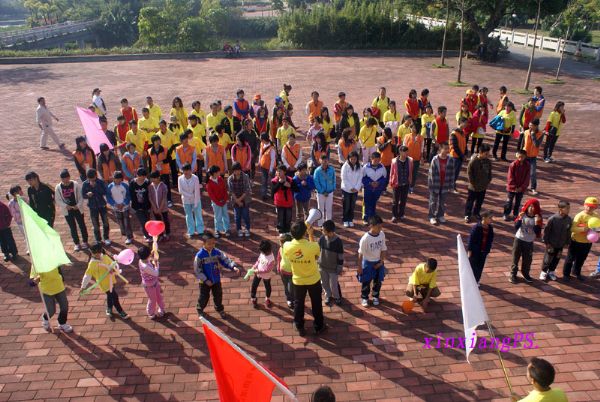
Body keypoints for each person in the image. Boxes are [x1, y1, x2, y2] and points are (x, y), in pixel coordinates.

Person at [283, 221, 325, 336]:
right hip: (313, 279)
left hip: (298, 280)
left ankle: (299, 325)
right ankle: (319, 326)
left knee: (298, 303)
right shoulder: (313, 246)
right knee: (316, 302)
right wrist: (311, 235)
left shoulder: (287, 246)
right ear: (304, 233)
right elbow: (316, 255)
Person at [194, 231, 241, 319]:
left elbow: (225, 259)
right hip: (204, 282)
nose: (211, 245)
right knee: (204, 296)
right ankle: (200, 309)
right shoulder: (199, 256)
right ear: (203, 244)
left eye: (213, 243)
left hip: (216, 280)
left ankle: (219, 309)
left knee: (218, 295)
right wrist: (205, 280)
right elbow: (197, 270)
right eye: (209, 244)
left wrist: (233, 266)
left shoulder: (217, 252)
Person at [81, 242, 129, 319]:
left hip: (111, 280)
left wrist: (113, 269)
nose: (97, 254)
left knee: (110, 296)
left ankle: (109, 308)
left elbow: (113, 264)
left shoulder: (105, 257)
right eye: (95, 253)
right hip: (104, 284)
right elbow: (87, 276)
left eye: (99, 252)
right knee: (114, 296)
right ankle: (120, 311)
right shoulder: (92, 264)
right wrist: (83, 286)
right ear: (91, 252)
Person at [563, 197, 599, 281]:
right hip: (576, 241)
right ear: (584, 205)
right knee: (570, 258)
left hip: (587, 242)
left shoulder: (596, 216)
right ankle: (566, 274)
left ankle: (576, 272)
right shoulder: (579, 216)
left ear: (596, 207)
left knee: (581, 258)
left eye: (593, 206)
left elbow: (598, 226)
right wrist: (583, 229)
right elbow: (572, 228)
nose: (590, 208)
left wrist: (597, 230)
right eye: (588, 206)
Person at [509, 198, 543, 284]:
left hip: (529, 241)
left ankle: (525, 273)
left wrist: (536, 222)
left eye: (533, 207)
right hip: (519, 239)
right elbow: (516, 227)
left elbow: (537, 232)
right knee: (515, 257)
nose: (531, 208)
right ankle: (513, 274)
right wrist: (520, 218)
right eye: (530, 206)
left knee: (527, 259)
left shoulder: (538, 218)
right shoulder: (523, 214)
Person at [30, 265, 72, 332]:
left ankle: (62, 323)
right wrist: (34, 281)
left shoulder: (53, 259)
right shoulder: (36, 264)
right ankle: (45, 318)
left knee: (64, 307)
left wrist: (62, 280)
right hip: (47, 290)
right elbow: (31, 282)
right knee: (51, 311)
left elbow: (59, 270)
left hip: (59, 287)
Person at [55, 169, 88, 251]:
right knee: (72, 227)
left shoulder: (75, 184)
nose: (65, 180)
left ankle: (85, 241)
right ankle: (77, 243)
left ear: (69, 177)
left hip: (77, 209)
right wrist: (65, 206)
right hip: (67, 211)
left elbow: (80, 196)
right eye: (63, 179)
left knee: (82, 225)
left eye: (66, 178)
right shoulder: (58, 187)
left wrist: (78, 205)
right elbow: (58, 199)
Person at [357, 215, 387, 307]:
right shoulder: (365, 239)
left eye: (381, 227)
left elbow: (383, 249)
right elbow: (360, 254)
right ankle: (364, 297)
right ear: (371, 226)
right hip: (368, 262)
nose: (380, 229)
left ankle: (375, 296)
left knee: (378, 281)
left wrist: (381, 262)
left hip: (378, 261)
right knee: (366, 281)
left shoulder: (382, 234)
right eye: (378, 227)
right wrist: (359, 267)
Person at [540, 201, 571, 281]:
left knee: (557, 258)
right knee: (548, 258)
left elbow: (568, 232)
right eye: (567, 208)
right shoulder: (553, 219)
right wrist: (546, 242)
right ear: (560, 209)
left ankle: (551, 271)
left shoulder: (569, 219)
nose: (568, 210)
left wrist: (567, 242)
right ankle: (544, 271)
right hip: (551, 243)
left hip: (561, 244)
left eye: (569, 208)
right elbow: (546, 231)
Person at [427, 143, 455, 225]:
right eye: (445, 149)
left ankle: (440, 215)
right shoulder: (435, 159)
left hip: (445, 184)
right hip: (435, 184)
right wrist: (430, 185)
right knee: (433, 201)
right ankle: (431, 216)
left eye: (448, 148)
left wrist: (451, 185)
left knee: (442, 202)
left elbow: (452, 173)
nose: (447, 150)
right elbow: (430, 174)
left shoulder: (450, 159)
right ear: (440, 149)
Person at [464, 143, 493, 223]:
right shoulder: (473, 161)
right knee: (470, 201)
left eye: (488, 153)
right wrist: (473, 183)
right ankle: (467, 215)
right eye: (486, 154)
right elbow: (469, 173)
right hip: (473, 187)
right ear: (480, 153)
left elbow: (489, 172)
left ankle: (476, 213)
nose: (487, 155)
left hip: (483, 186)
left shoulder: (488, 162)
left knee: (479, 202)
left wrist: (488, 180)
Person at [82, 168, 111, 245]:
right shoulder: (85, 184)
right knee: (95, 224)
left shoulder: (100, 182)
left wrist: (96, 187)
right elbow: (83, 195)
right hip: (92, 206)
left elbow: (105, 192)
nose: (92, 180)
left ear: (96, 176)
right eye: (90, 178)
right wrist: (87, 195)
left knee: (105, 222)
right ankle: (98, 239)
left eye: (93, 178)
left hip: (102, 205)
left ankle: (106, 238)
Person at [319, 220, 344, 306]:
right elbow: (317, 249)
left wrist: (339, 267)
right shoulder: (322, 238)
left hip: (333, 268)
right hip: (322, 267)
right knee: (324, 283)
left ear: (329, 231)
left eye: (323, 230)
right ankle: (328, 295)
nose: (321, 231)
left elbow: (340, 256)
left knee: (334, 285)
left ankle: (337, 297)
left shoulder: (338, 241)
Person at [137, 245, 166, 319]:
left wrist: (151, 253)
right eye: (149, 254)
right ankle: (150, 313)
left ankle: (162, 309)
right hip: (149, 286)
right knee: (152, 300)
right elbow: (156, 273)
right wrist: (156, 264)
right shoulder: (145, 266)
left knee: (159, 296)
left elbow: (148, 259)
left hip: (154, 282)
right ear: (147, 256)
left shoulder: (141, 260)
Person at [467, 211, 494, 284]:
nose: (491, 219)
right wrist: (469, 251)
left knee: (480, 267)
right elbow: (471, 240)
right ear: (484, 218)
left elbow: (490, 239)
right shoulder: (476, 228)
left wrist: (487, 250)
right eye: (490, 218)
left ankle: (477, 280)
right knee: (473, 266)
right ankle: (470, 281)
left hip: (483, 251)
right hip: (475, 251)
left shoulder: (490, 228)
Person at [178, 163, 204, 238]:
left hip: (196, 199)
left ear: (190, 170)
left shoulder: (195, 178)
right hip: (186, 200)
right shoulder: (180, 178)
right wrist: (190, 195)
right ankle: (191, 231)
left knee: (198, 215)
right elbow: (180, 191)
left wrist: (195, 203)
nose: (186, 172)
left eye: (187, 170)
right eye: (184, 170)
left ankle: (200, 230)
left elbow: (197, 191)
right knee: (188, 216)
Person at [504, 150, 530, 221]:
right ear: (516, 156)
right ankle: (506, 214)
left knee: (518, 202)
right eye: (519, 157)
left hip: (521, 188)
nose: (521, 158)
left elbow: (527, 178)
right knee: (509, 202)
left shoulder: (527, 165)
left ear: (525, 157)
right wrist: (514, 187)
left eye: (522, 157)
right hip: (512, 188)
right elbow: (510, 177)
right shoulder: (513, 164)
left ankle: (515, 214)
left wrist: (522, 187)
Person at [389, 145, 414, 222]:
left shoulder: (410, 160)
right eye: (404, 152)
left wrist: (410, 181)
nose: (406, 153)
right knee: (395, 200)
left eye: (407, 152)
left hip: (406, 183)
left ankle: (401, 214)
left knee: (403, 200)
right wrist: (391, 182)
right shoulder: (394, 161)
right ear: (400, 152)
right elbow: (391, 172)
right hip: (397, 183)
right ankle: (394, 215)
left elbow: (411, 171)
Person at [148, 134, 173, 207]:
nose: (158, 142)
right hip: (155, 172)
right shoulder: (149, 151)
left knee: (166, 186)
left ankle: (169, 200)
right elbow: (150, 163)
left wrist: (162, 162)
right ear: (153, 142)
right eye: (156, 141)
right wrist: (151, 172)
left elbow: (170, 159)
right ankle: (159, 200)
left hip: (164, 171)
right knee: (156, 186)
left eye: (159, 140)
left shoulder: (165, 149)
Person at [249, 240, 276, 308]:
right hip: (258, 273)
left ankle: (267, 298)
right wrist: (254, 266)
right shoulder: (262, 254)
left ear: (267, 251)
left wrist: (258, 271)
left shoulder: (271, 259)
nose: (262, 253)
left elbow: (267, 270)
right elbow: (258, 261)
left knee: (267, 286)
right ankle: (253, 298)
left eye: (262, 252)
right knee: (254, 285)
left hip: (266, 275)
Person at [206, 165, 231, 238]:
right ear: (214, 173)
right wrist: (218, 202)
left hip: (223, 202)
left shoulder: (220, 179)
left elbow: (225, 190)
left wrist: (225, 199)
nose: (219, 173)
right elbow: (212, 196)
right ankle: (218, 230)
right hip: (216, 203)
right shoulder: (209, 183)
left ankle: (227, 229)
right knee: (218, 217)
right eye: (218, 172)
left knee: (225, 215)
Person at [362, 151, 387, 223]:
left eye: (378, 160)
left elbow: (384, 178)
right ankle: (366, 218)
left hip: (377, 190)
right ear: (371, 159)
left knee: (374, 203)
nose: (377, 162)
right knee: (367, 203)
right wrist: (370, 183)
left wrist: (379, 183)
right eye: (375, 160)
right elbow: (363, 178)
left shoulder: (382, 167)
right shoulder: (365, 167)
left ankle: (372, 217)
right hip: (368, 189)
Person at [272, 164, 297, 234]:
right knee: (281, 218)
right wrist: (279, 183)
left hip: (288, 202)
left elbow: (296, 189)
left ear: (285, 172)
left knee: (288, 218)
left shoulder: (290, 179)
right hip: (279, 202)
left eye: (280, 171)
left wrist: (290, 186)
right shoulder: (275, 180)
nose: (278, 173)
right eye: (277, 171)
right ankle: (281, 231)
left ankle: (287, 230)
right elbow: (273, 191)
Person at [129, 168, 152, 243]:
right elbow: (132, 196)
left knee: (147, 220)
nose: (143, 178)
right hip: (137, 207)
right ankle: (147, 236)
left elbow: (149, 194)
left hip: (146, 206)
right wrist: (136, 207)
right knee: (143, 221)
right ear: (137, 175)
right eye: (141, 177)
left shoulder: (147, 182)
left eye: (144, 177)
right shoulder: (132, 183)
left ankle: (148, 233)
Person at [341, 151, 362, 227]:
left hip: (355, 190)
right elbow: (344, 178)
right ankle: (345, 220)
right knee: (346, 206)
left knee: (352, 206)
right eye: (351, 159)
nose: (353, 161)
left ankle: (350, 219)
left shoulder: (359, 167)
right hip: (346, 190)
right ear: (349, 159)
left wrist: (356, 188)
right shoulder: (345, 166)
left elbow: (360, 178)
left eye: (355, 159)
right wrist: (350, 188)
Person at [522, 118, 544, 195]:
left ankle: (533, 188)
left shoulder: (540, 134)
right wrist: (519, 152)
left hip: (533, 157)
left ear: (536, 126)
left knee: (532, 173)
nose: (530, 127)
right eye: (529, 125)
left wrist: (533, 135)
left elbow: (537, 145)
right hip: (524, 155)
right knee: (522, 172)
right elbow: (522, 143)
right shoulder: (526, 132)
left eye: (531, 126)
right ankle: (522, 186)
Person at [313, 155, 336, 227]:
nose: (324, 163)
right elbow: (316, 182)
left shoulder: (332, 170)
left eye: (326, 161)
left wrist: (333, 188)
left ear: (328, 161)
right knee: (320, 209)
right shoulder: (317, 171)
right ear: (320, 161)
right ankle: (321, 224)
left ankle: (328, 223)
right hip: (320, 193)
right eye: (323, 161)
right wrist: (322, 191)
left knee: (329, 209)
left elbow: (334, 179)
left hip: (330, 192)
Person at [148, 171, 170, 241]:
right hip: (155, 208)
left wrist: (160, 208)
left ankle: (167, 233)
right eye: (151, 178)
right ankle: (161, 234)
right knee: (158, 221)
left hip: (163, 207)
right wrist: (154, 207)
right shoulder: (150, 186)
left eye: (154, 178)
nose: (153, 180)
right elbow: (150, 198)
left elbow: (164, 198)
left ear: (158, 178)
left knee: (165, 220)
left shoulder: (163, 186)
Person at [403, 123, 423, 193]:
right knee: (407, 173)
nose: (412, 129)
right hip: (408, 158)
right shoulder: (407, 136)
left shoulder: (421, 137)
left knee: (414, 174)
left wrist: (422, 157)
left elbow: (422, 148)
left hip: (416, 159)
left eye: (414, 128)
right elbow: (404, 146)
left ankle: (411, 186)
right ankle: (406, 186)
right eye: (411, 127)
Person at [6, 186, 26, 254]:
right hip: (20, 223)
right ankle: (29, 248)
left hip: (28, 221)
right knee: (25, 235)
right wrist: (22, 213)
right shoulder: (11, 203)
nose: (21, 191)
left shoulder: (25, 199)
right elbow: (13, 214)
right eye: (19, 190)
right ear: (15, 193)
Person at [258, 133, 276, 200]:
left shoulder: (272, 148)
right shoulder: (262, 144)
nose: (260, 140)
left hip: (270, 168)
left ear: (263, 139)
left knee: (272, 182)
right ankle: (264, 195)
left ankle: (273, 195)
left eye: (261, 139)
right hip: (263, 167)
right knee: (264, 181)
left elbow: (273, 159)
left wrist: (270, 170)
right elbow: (260, 153)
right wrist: (259, 162)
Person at [449, 128, 467, 193]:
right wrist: (462, 155)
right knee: (453, 173)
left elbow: (465, 145)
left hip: (460, 156)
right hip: (455, 156)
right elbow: (455, 147)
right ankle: (451, 187)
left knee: (456, 173)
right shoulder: (454, 134)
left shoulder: (462, 133)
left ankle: (452, 186)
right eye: (465, 123)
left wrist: (465, 154)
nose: (466, 124)